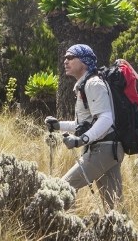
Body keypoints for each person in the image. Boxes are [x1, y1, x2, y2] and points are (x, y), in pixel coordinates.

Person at [44, 44, 124, 208]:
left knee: (62, 190)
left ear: (85, 61)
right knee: (113, 206)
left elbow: (106, 118)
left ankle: (58, 230)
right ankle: (122, 232)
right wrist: (59, 125)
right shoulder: (85, 85)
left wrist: (81, 140)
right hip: (110, 149)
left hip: (102, 150)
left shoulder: (93, 84)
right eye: (65, 58)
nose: (65, 61)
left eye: (71, 57)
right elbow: (84, 124)